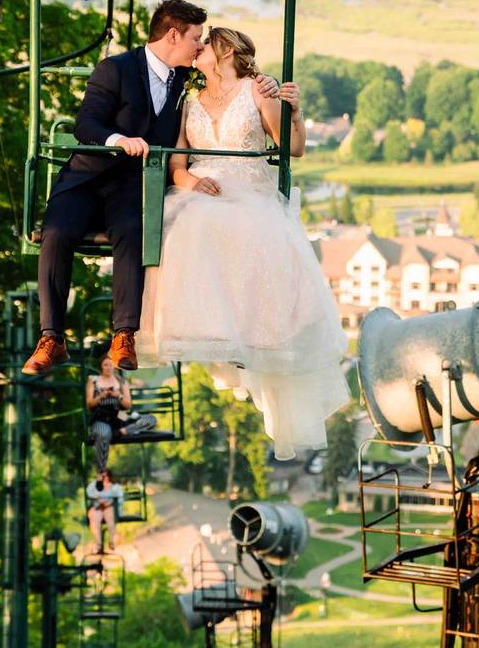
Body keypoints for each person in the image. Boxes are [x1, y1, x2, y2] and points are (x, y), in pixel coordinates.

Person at [22, 0, 278, 377]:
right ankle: (51, 338)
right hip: (87, 180)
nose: (199, 45)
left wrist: (268, 85)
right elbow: (86, 124)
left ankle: (124, 334)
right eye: (195, 37)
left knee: (132, 230)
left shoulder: (185, 81)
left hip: (131, 184)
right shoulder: (116, 69)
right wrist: (118, 139)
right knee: (57, 233)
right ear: (173, 34)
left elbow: (230, 85)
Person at [138, 27, 350, 460]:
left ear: (226, 52)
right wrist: (192, 180)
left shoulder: (259, 91)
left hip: (249, 192)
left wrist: (296, 113)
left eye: (205, 47)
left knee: (243, 230)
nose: (197, 52)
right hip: (204, 189)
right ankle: (206, 329)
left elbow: (292, 147)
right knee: (186, 225)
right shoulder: (189, 102)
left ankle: (252, 335)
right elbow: (178, 165)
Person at [87, 356, 158, 473]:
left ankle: (122, 432)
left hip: (119, 415)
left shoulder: (121, 381)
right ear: (101, 366)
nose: (108, 367)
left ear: (114, 367)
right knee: (104, 434)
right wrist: (101, 396)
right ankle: (101, 471)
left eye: (111, 365)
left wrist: (117, 396)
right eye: (106, 365)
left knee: (151, 419)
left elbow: (127, 405)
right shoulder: (93, 380)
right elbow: (90, 404)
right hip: (101, 416)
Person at [85, 469, 125, 555]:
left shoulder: (115, 487)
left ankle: (112, 541)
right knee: (94, 517)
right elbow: (88, 492)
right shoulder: (96, 486)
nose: (104, 478)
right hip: (98, 507)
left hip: (110, 506)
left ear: (110, 476)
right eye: (102, 476)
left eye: (106, 476)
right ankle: (98, 543)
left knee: (110, 518)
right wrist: (97, 481)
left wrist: (108, 503)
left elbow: (120, 498)